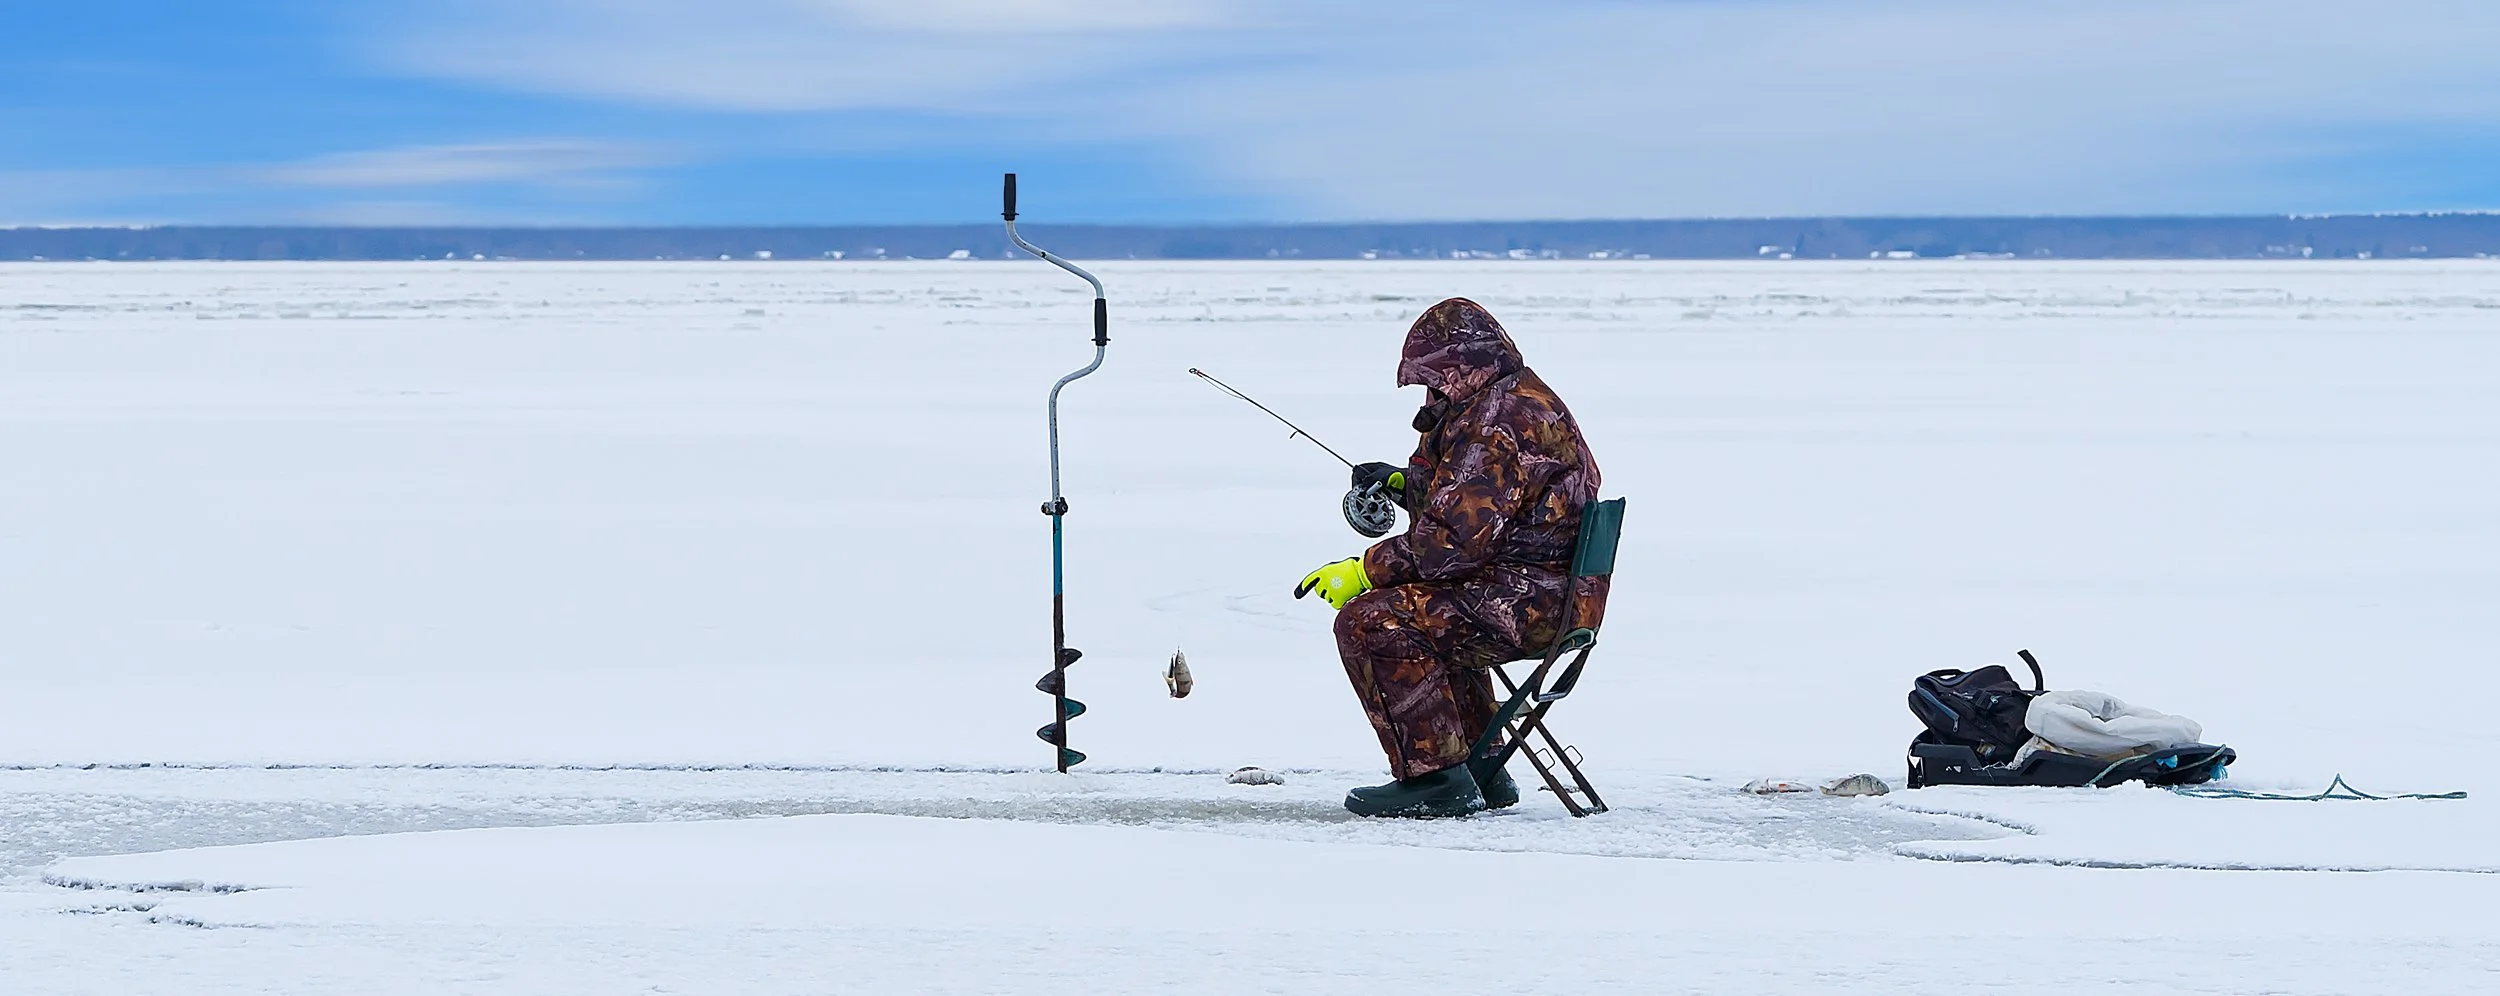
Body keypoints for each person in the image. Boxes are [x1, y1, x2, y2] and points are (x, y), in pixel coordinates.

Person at [1295, 298, 1607, 818]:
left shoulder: (1499, 423)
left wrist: (1361, 571)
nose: (1430, 391)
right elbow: (1476, 512)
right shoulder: (1511, 399)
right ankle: (1481, 769)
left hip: (1528, 602)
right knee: (1430, 611)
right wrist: (1402, 482)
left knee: (1371, 621)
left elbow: (1446, 548)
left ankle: (1435, 779)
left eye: (1435, 377)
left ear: (1463, 366)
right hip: (1537, 592)